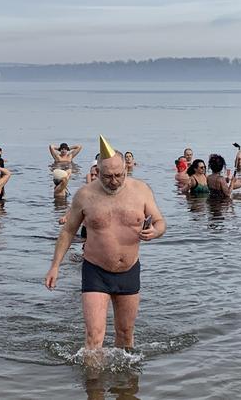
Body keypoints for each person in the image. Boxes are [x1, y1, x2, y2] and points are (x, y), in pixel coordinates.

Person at [44, 136, 166, 354]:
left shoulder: (141, 190)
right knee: (94, 338)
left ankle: (126, 387)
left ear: (126, 169)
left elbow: (160, 221)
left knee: (125, 333)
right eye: (108, 176)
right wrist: (55, 266)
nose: (114, 180)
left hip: (129, 270)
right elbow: (68, 231)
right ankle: (93, 386)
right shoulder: (85, 195)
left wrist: (155, 231)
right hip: (95, 270)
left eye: (119, 175)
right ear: (97, 172)